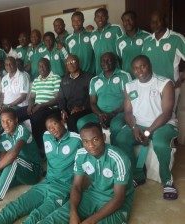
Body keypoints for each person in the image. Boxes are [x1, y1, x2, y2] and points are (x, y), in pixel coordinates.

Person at [0, 113, 82, 224]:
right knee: (14, 207)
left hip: (62, 189)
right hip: (45, 183)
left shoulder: (77, 140)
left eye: (55, 124)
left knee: (35, 217)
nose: (52, 130)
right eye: (49, 127)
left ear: (62, 122)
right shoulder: (46, 136)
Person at [39, 122, 134, 224]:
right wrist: (73, 213)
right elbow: (76, 186)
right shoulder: (81, 154)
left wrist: (90, 221)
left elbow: (119, 198)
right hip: (93, 195)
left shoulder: (118, 158)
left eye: (95, 140)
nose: (91, 145)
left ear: (103, 137)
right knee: (55, 217)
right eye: (85, 141)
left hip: (115, 202)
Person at [116, 55, 179, 200]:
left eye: (143, 66)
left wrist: (147, 131)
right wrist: (133, 127)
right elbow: (128, 112)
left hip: (163, 123)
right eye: (136, 68)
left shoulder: (164, 83)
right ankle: (137, 176)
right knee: (121, 139)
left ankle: (167, 181)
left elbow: (167, 113)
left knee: (161, 144)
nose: (140, 71)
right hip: (139, 123)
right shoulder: (130, 86)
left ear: (150, 65)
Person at [77, 52, 131, 144]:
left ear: (115, 61)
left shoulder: (124, 76)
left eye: (108, 60)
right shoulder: (95, 80)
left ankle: (114, 152)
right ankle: (90, 151)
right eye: (103, 61)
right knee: (81, 122)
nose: (105, 63)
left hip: (119, 113)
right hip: (100, 114)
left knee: (116, 126)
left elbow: (128, 100)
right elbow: (93, 103)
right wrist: (100, 115)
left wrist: (112, 113)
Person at [17, 58, 61, 155]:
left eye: (43, 65)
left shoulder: (56, 78)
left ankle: (41, 148)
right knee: (15, 114)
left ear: (49, 66)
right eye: (39, 66)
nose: (41, 68)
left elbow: (57, 99)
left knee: (36, 118)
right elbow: (32, 97)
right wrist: (30, 106)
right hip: (37, 106)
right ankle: (17, 144)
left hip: (50, 107)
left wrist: (41, 106)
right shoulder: (36, 80)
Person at [142, 11, 185, 86]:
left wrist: (181, 78)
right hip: (151, 86)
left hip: (172, 86)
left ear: (165, 21)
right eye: (152, 22)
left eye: (158, 21)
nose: (155, 24)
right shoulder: (146, 41)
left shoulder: (177, 39)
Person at [59, 55, 92, 133]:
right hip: (68, 110)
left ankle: (75, 143)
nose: (70, 64)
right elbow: (61, 98)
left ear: (79, 63)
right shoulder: (64, 80)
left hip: (84, 109)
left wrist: (81, 108)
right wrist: (63, 110)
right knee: (51, 118)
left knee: (72, 119)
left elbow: (92, 98)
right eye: (68, 63)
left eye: (73, 62)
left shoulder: (89, 78)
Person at [116, 11, 150, 78]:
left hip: (144, 77)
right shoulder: (119, 40)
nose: (128, 22)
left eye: (130, 19)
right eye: (125, 20)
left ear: (135, 20)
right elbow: (120, 59)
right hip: (127, 77)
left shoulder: (147, 37)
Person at [91, 8, 123, 74]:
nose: (100, 19)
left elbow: (123, 49)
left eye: (103, 16)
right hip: (100, 71)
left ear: (107, 17)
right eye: (98, 16)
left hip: (116, 69)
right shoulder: (92, 34)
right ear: (94, 19)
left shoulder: (116, 29)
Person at [65, 11, 95, 75]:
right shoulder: (68, 39)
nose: (76, 23)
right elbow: (68, 58)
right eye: (74, 21)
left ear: (83, 21)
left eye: (78, 21)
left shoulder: (91, 34)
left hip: (90, 73)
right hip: (75, 75)